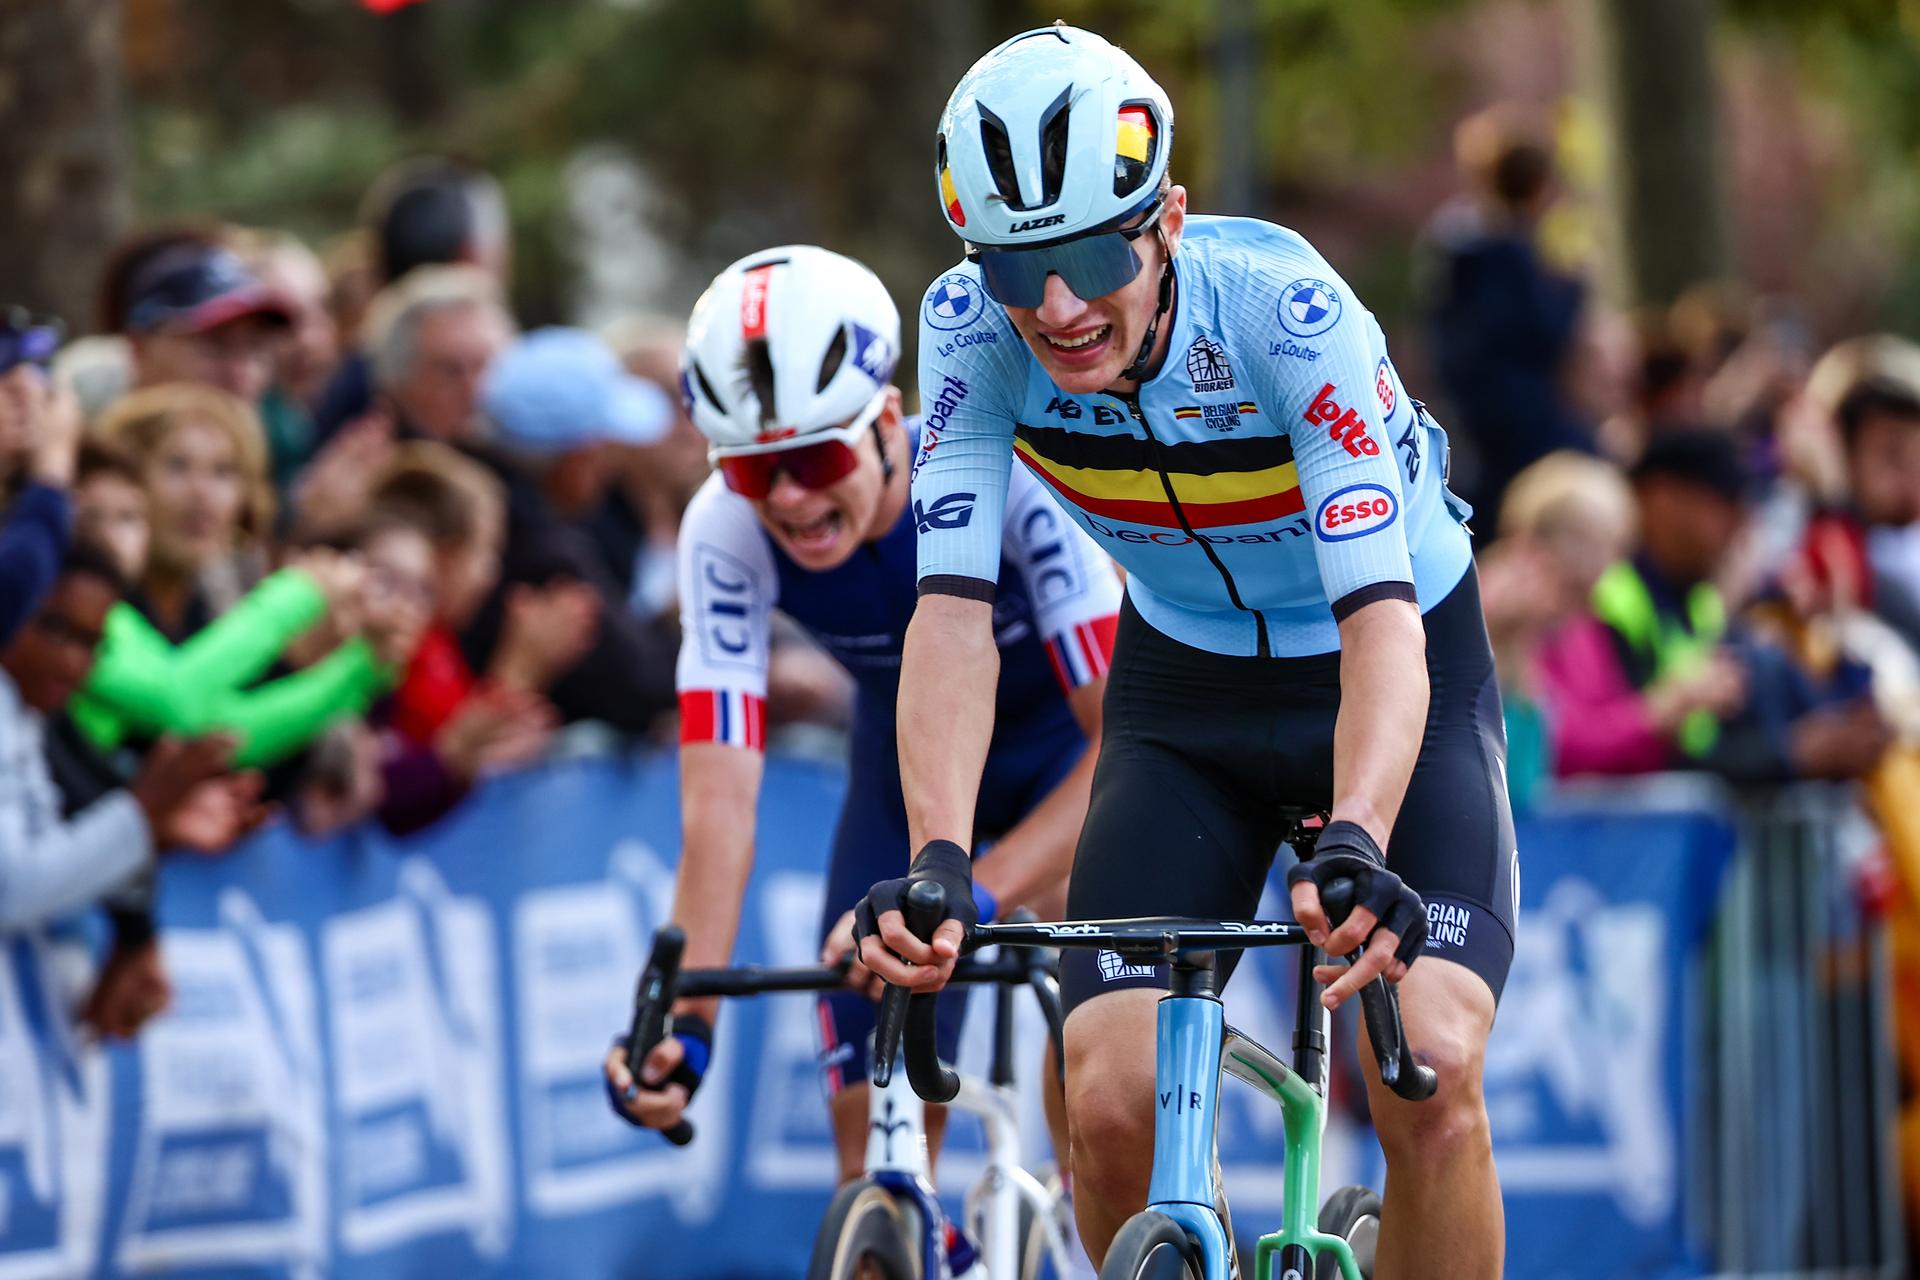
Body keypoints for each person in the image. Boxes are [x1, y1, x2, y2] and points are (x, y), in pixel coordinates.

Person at [853, 26, 1516, 1275]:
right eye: (1016, 267)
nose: (1055, 306)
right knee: (1102, 1098)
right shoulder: (965, 331)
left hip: (1387, 661)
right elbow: (948, 613)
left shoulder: (1285, 310)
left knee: (1432, 1072)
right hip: (1185, 693)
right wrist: (938, 853)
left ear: (1168, 220)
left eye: (1095, 255)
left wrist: (1361, 830)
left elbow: (1380, 619)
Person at [604, 246, 1122, 1201]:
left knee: (1102, 1118)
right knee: (875, 1176)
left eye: (814, 458)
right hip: (910, 776)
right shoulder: (721, 526)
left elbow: (1126, 742)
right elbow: (720, 802)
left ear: (887, 419)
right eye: (758, 472)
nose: (791, 499)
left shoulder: (1007, 478)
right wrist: (686, 1019)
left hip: (1074, 767)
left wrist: (992, 890)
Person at [0, 542, 259, 932]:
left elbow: (49, 875)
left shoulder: (28, 715)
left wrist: (155, 831)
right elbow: (14, 891)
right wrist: (145, 807)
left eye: (92, 645)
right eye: (56, 629)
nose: (73, 661)